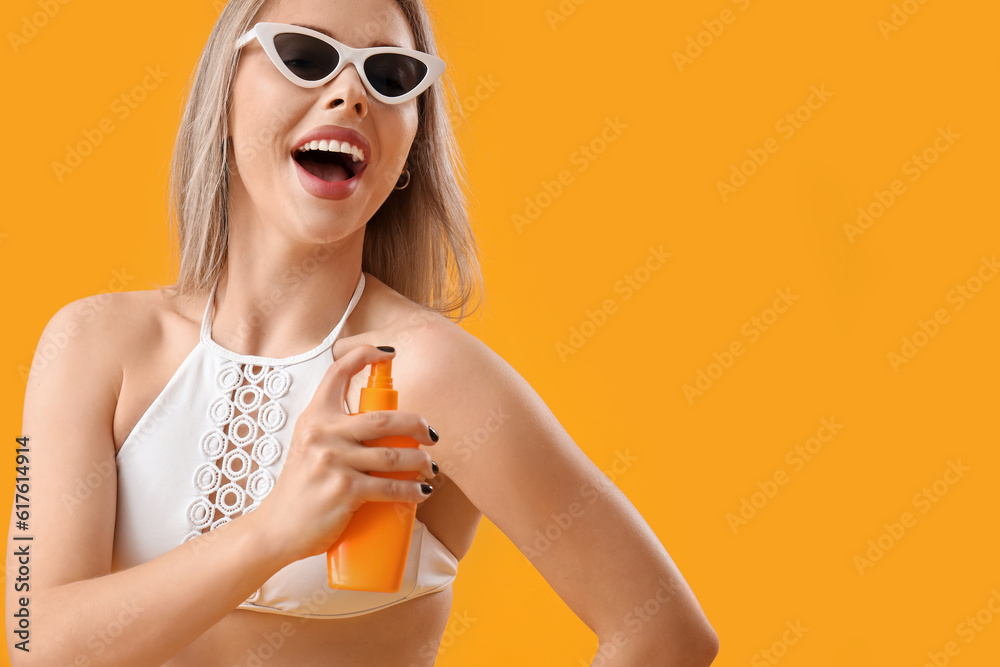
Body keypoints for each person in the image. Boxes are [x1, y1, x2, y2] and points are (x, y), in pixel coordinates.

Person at [5, 0, 719, 664]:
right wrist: (273, 530)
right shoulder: (90, 344)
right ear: (223, 95)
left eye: (391, 75)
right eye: (306, 56)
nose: (352, 94)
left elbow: (660, 627)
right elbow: (34, 640)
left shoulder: (431, 375)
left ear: (412, 141)